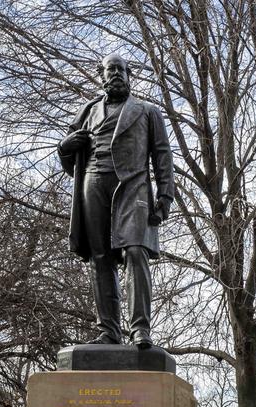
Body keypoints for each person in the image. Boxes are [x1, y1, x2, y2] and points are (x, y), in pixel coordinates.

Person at [57, 54, 175, 348]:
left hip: (132, 185)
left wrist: (165, 195)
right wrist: (63, 148)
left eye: (121, 70)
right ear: (102, 75)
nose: (117, 75)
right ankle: (109, 331)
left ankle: (139, 330)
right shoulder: (87, 112)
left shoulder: (147, 111)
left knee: (136, 251)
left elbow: (162, 155)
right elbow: (69, 157)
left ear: (129, 74)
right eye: (111, 70)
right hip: (93, 183)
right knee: (101, 258)